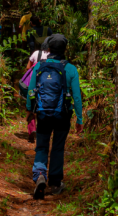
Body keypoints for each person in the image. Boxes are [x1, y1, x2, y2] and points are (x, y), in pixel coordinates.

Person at [26, 34, 83, 200]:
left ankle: (40, 175)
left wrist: (30, 110)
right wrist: (79, 119)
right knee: (58, 147)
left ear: (48, 49)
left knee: (42, 147)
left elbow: (31, 90)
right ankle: (56, 183)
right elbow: (77, 97)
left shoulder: (38, 67)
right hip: (63, 115)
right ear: (65, 49)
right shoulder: (70, 68)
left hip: (43, 113)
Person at [24, 39, 51, 143]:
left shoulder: (36, 53)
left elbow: (28, 67)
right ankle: (42, 132)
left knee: (30, 108)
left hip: (33, 84)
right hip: (47, 86)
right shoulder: (53, 56)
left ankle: (32, 130)